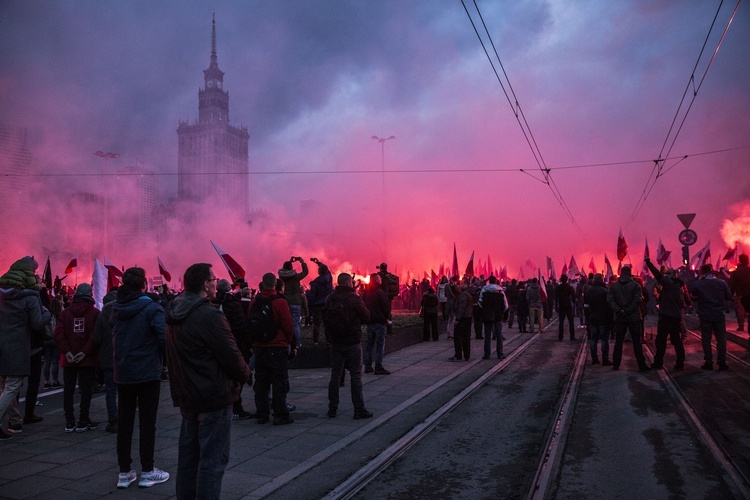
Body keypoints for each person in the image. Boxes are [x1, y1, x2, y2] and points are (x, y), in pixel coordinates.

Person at [165, 263, 251, 499]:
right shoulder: (209, 315)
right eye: (214, 279)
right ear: (206, 284)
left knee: (188, 461)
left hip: (187, 395)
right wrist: (246, 374)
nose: (216, 283)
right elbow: (232, 356)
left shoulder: (174, 311)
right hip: (213, 396)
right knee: (212, 463)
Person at [111, 267, 170, 489]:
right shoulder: (152, 308)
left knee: (124, 422)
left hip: (123, 372)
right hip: (146, 373)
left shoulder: (115, 308)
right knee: (148, 423)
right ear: (143, 284)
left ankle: (124, 473)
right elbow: (164, 338)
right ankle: (147, 471)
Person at [0, 256, 52, 441]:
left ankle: (14, 420)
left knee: (4, 387)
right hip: (17, 347)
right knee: (13, 386)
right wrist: (48, 312)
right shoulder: (30, 297)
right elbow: (38, 324)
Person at [324, 273, 372, 419]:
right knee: (356, 376)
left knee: (335, 376)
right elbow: (367, 317)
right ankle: (359, 409)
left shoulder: (330, 298)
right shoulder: (354, 299)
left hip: (336, 342)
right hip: (352, 342)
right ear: (348, 283)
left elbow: (326, 319)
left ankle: (332, 408)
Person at [54, 282, 101, 432]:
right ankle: (83, 420)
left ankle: (69, 422)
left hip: (69, 359)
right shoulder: (95, 313)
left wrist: (67, 351)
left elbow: (59, 333)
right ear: (89, 294)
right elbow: (95, 336)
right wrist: (85, 352)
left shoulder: (65, 313)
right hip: (87, 359)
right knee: (86, 390)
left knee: (68, 390)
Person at [251, 273, 294, 425]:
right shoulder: (280, 302)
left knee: (261, 382)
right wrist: (288, 342)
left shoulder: (254, 301)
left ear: (262, 283)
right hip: (277, 347)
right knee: (279, 381)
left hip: (260, 347)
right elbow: (288, 326)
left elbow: (250, 323)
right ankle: (280, 414)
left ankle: (262, 414)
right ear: (275, 284)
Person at [212, 279, 253, 420]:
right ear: (229, 289)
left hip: (215, 347)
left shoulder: (211, 304)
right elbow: (242, 327)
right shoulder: (234, 305)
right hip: (234, 345)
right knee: (237, 376)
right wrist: (248, 345)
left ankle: (223, 404)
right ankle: (236, 407)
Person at [644, 258, 686, 370]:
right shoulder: (679, 287)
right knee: (677, 341)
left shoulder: (670, 284)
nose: (665, 276)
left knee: (661, 341)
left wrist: (648, 263)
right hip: (676, 317)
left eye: (667, 274)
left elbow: (658, 275)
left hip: (667, 317)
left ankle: (658, 363)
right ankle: (680, 363)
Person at [607, 266, 650, 372]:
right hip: (634, 317)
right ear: (630, 273)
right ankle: (641, 364)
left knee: (618, 342)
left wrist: (619, 310)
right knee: (636, 342)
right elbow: (637, 300)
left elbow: (610, 300)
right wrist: (628, 310)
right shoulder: (636, 286)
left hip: (620, 318)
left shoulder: (614, 286)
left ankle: (616, 364)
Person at [691, 264, 732, 370]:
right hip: (719, 314)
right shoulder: (721, 283)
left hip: (705, 314)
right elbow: (728, 297)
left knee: (706, 339)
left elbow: (694, 298)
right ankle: (722, 361)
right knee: (721, 339)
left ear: (702, 272)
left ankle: (708, 362)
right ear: (711, 271)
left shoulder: (697, 284)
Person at [93, 289, 119, 433]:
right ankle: (125, 416)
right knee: (124, 390)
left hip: (107, 359)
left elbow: (96, 339)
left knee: (110, 391)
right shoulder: (123, 315)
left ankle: (113, 420)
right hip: (122, 358)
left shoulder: (102, 318)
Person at [363, 274, 392, 374]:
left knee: (369, 345)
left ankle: (367, 366)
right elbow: (386, 307)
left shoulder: (366, 293)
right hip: (380, 323)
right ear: (376, 280)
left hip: (369, 322)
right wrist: (387, 318)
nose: (381, 279)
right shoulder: (380, 293)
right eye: (379, 278)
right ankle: (378, 367)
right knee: (380, 345)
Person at [278, 257, 308, 350]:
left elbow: (284, 270)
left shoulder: (281, 277)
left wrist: (290, 262)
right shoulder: (295, 277)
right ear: (291, 268)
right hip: (295, 303)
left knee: (285, 322)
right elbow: (305, 272)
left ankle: (287, 342)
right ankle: (297, 343)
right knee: (295, 324)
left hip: (285, 303)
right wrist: (302, 262)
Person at [584, 274, 611, 365]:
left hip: (593, 318)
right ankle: (605, 359)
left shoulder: (588, 292)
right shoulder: (606, 292)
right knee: (604, 339)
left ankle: (594, 359)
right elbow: (609, 307)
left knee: (593, 339)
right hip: (604, 319)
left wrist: (587, 318)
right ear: (602, 280)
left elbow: (586, 307)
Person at [479, 276, 507, 359]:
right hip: (498, 315)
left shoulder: (484, 290)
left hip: (487, 315)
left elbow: (480, 302)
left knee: (487, 335)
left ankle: (487, 354)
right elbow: (505, 305)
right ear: (496, 282)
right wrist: (503, 313)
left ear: (489, 282)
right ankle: (500, 353)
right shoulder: (501, 291)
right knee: (499, 334)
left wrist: (484, 310)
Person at [307, 258, 333, 345]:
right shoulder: (329, 277)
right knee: (327, 323)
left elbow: (312, 295)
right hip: (327, 304)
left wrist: (310, 305)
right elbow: (327, 269)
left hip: (317, 305)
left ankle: (315, 341)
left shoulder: (315, 283)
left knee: (317, 324)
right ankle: (329, 341)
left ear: (319, 272)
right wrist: (318, 262)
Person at [450, 278, 473, 361]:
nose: (460, 285)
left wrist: (457, 319)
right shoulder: (468, 294)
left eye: (462, 283)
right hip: (468, 318)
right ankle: (467, 355)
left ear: (466, 285)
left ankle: (458, 355)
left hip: (462, 318)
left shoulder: (463, 295)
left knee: (458, 337)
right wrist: (453, 286)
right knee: (466, 337)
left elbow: (461, 308)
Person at [729, 254, 750, 333]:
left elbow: (733, 284)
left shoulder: (736, 272)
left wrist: (730, 295)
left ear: (740, 260)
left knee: (741, 311)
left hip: (740, 294)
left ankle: (741, 326)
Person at [556, 275, 576, 341]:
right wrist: (574, 304)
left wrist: (556, 306)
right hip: (568, 306)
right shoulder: (570, 288)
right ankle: (572, 336)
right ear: (567, 279)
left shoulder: (558, 288)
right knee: (571, 322)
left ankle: (560, 337)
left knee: (561, 323)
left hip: (561, 306)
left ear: (561, 280)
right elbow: (574, 297)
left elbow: (556, 298)